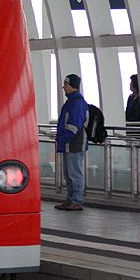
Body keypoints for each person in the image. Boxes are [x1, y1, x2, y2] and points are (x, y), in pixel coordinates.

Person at [55, 73, 88, 211]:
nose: (63, 87)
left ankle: (76, 200)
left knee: (75, 173)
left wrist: (62, 139)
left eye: (66, 84)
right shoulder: (72, 102)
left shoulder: (77, 103)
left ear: (72, 85)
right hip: (70, 144)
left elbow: (73, 126)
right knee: (69, 173)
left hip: (74, 143)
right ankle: (71, 199)